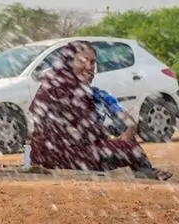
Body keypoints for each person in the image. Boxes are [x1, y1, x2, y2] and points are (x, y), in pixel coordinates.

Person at [28, 41, 170, 180]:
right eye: (82, 61)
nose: (89, 67)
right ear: (68, 62)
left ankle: (144, 172)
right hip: (66, 156)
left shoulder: (60, 83)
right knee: (129, 148)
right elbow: (85, 132)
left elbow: (85, 128)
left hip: (46, 156)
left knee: (119, 140)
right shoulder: (68, 88)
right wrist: (115, 140)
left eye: (93, 62)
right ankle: (147, 173)